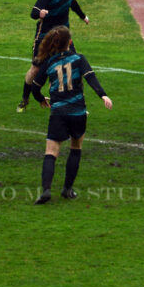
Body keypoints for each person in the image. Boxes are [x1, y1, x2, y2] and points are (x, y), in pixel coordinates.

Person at [28, 25, 112, 204]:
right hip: (78, 112)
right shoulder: (79, 59)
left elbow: (35, 87)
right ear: (70, 42)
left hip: (58, 113)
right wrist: (103, 95)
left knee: (51, 152)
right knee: (76, 148)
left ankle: (46, 191)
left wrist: (41, 99)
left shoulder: (48, 62)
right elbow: (91, 77)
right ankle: (67, 189)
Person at [16, 0, 89, 113]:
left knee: (74, 65)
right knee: (36, 69)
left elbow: (73, 3)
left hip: (63, 35)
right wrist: (40, 13)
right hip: (45, 37)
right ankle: (25, 98)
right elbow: (33, 13)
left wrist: (83, 16)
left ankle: (78, 103)